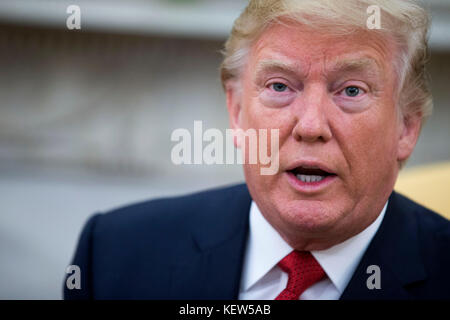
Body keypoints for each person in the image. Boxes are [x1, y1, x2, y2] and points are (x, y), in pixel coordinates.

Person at [64, 0, 450, 300]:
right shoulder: (116, 254)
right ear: (236, 110)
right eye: (280, 86)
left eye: (351, 90)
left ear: (407, 126)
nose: (311, 126)